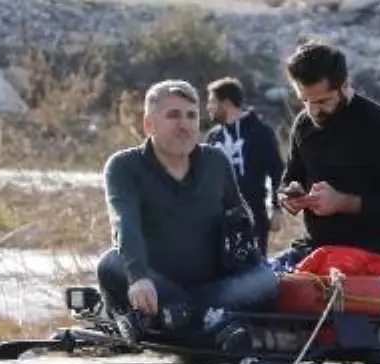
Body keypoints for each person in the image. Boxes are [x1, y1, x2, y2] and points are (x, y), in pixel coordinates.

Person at [96, 79, 277, 347]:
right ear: (149, 125)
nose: (185, 124)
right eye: (173, 115)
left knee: (266, 279)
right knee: (110, 263)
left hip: (212, 287)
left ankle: (186, 318)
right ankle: (206, 322)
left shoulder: (215, 161)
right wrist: (138, 277)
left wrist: (245, 256)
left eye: (192, 115)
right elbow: (125, 222)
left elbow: (239, 217)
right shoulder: (124, 166)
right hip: (156, 285)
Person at [274, 40, 380, 272]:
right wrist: (290, 196)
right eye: (305, 101)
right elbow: (290, 179)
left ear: (344, 86)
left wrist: (343, 202)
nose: (314, 111)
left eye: (323, 101)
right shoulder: (303, 125)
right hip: (315, 250)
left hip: (371, 252)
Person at [204, 77, 286, 257]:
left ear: (226, 103)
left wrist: (277, 208)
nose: (208, 107)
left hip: (253, 216)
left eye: (212, 101)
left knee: (252, 273)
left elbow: (277, 171)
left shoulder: (260, 132)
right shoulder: (213, 137)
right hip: (217, 220)